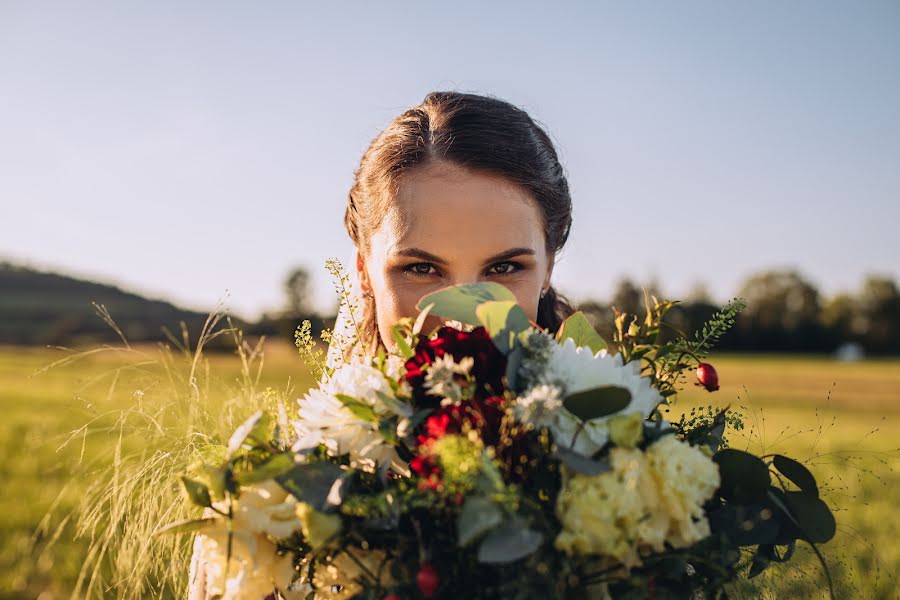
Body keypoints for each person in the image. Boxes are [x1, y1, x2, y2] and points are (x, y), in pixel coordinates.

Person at [188, 90, 577, 598]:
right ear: (363, 273)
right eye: (421, 269)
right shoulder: (269, 506)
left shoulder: (627, 478)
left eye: (504, 268)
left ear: (547, 268)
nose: (464, 317)